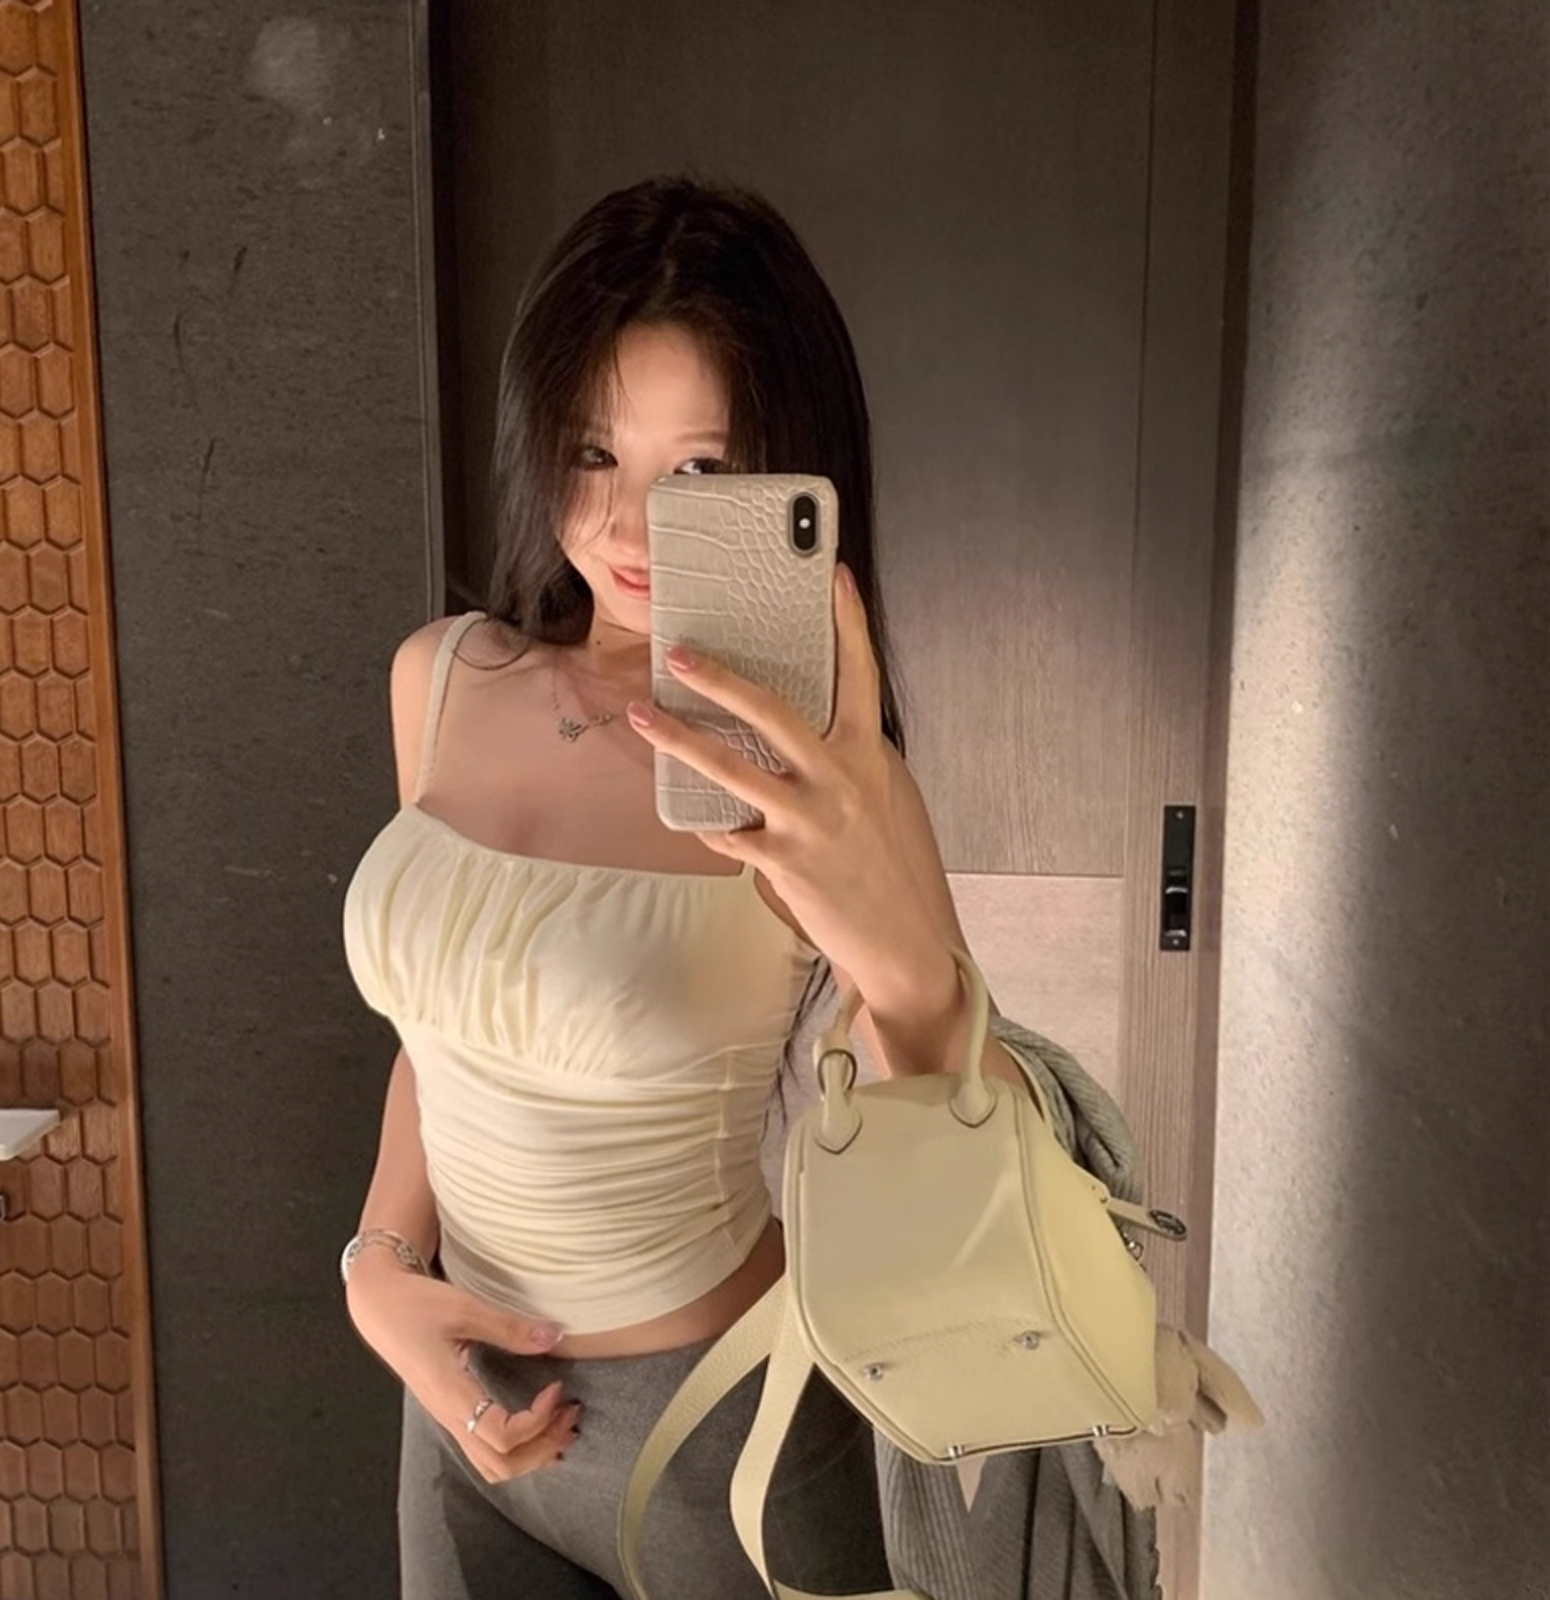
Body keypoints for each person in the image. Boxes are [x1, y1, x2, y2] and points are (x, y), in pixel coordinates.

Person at [340, 174, 1012, 1599]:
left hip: (722, 1436)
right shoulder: (439, 678)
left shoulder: (822, 770)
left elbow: (955, 1140)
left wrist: (904, 961)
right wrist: (379, 1267)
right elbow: (443, 1031)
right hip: (456, 1406)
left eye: (699, 473)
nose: (631, 524)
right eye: (592, 450)